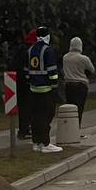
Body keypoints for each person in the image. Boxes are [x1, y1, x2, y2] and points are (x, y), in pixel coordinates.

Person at [25, 26, 63, 154]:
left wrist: (30, 82)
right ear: (47, 36)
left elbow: (26, 71)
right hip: (46, 89)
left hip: (33, 89)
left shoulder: (30, 50)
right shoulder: (48, 50)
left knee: (35, 117)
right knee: (46, 116)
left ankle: (37, 143)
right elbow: (52, 71)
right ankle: (46, 143)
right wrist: (54, 86)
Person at [61, 37, 95, 127]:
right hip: (81, 85)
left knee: (70, 108)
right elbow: (92, 70)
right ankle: (76, 129)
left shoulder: (65, 57)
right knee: (79, 108)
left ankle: (69, 128)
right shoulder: (84, 59)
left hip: (68, 84)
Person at [12, 28, 37, 140]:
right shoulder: (30, 51)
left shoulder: (21, 48)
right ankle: (25, 130)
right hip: (26, 81)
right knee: (28, 106)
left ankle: (25, 129)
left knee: (23, 106)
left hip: (18, 81)